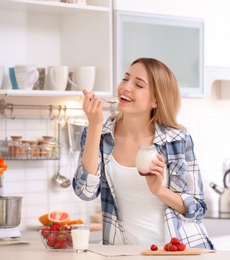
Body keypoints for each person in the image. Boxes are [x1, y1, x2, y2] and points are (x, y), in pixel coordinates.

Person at [73, 57, 213, 249]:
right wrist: (95, 125)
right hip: (124, 253)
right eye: (125, 78)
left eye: (138, 85)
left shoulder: (178, 139)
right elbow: (85, 192)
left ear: (156, 100)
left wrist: (159, 190)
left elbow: (197, 209)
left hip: (177, 251)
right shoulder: (99, 135)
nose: (126, 87)